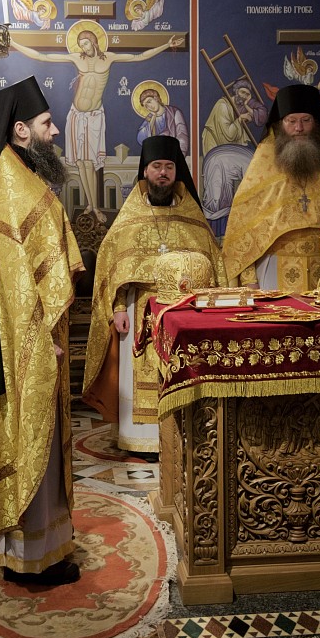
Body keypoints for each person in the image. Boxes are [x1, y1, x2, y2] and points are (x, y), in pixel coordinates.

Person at [0, 77, 85, 586]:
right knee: (32, 444)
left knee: (30, 441)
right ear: (21, 129)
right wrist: (42, 338)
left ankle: (36, 550)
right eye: (48, 124)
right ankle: (33, 562)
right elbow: (17, 282)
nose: (55, 131)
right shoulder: (14, 184)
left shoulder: (12, 175)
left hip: (22, 336)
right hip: (29, 341)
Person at [82, 135, 227, 458]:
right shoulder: (130, 216)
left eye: (169, 167)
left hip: (186, 311)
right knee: (140, 374)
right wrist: (118, 308)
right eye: (156, 166)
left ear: (177, 171)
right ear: (145, 171)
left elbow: (214, 265)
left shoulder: (192, 215)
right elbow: (113, 268)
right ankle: (141, 439)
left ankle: (183, 434)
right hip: (139, 311)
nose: (163, 173)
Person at [11, 28, 184, 224]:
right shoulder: (77, 58)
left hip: (94, 117)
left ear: (93, 41)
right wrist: (14, 44)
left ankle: (95, 206)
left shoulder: (108, 58)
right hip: (76, 115)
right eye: (80, 45)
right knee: (81, 163)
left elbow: (139, 56)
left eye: (85, 43)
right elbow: (42, 56)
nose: (83, 48)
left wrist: (166, 45)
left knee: (91, 164)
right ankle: (91, 205)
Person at [222, 84, 320, 293]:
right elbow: (243, 232)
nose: (299, 128)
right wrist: (250, 280)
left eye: (306, 120)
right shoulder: (262, 168)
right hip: (273, 271)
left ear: (316, 122)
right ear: (280, 124)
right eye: (292, 121)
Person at [202, 81, 267, 156]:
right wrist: (240, 119)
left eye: (247, 94)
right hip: (214, 144)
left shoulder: (239, 106)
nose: (244, 96)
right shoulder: (223, 106)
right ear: (236, 91)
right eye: (242, 92)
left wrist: (246, 106)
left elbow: (262, 114)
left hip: (224, 147)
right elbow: (229, 135)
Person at [136, 87, 189, 155]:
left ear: (156, 98)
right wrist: (152, 121)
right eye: (146, 105)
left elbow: (182, 134)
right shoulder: (149, 118)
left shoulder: (173, 112)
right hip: (157, 155)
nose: (149, 106)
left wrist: (181, 155)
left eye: (149, 101)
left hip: (173, 152)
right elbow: (141, 138)